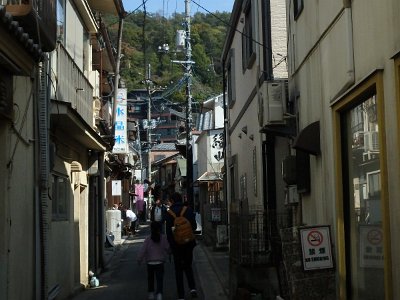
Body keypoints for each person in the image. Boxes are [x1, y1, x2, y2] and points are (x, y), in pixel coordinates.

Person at [165, 192, 197, 299]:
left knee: (178, 269)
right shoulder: (188, 210)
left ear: (172, 201)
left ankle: (181, 295)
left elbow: (169, 232)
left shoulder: (169, 213)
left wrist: (171, 245)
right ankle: (192, 289)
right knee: (188, 266)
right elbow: (194, 226)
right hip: (188, 243)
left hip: (176, 244)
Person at [137, 221, 170, 300]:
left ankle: (151, 293)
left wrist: (139, 259)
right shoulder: (163, 238)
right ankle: (159, 294)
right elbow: (168, 248)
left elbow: (143, 250)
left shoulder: (148, 239)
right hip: (160, 262)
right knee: (159, 279)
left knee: (150, 279)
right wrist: (170, 253)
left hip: (150, 263)